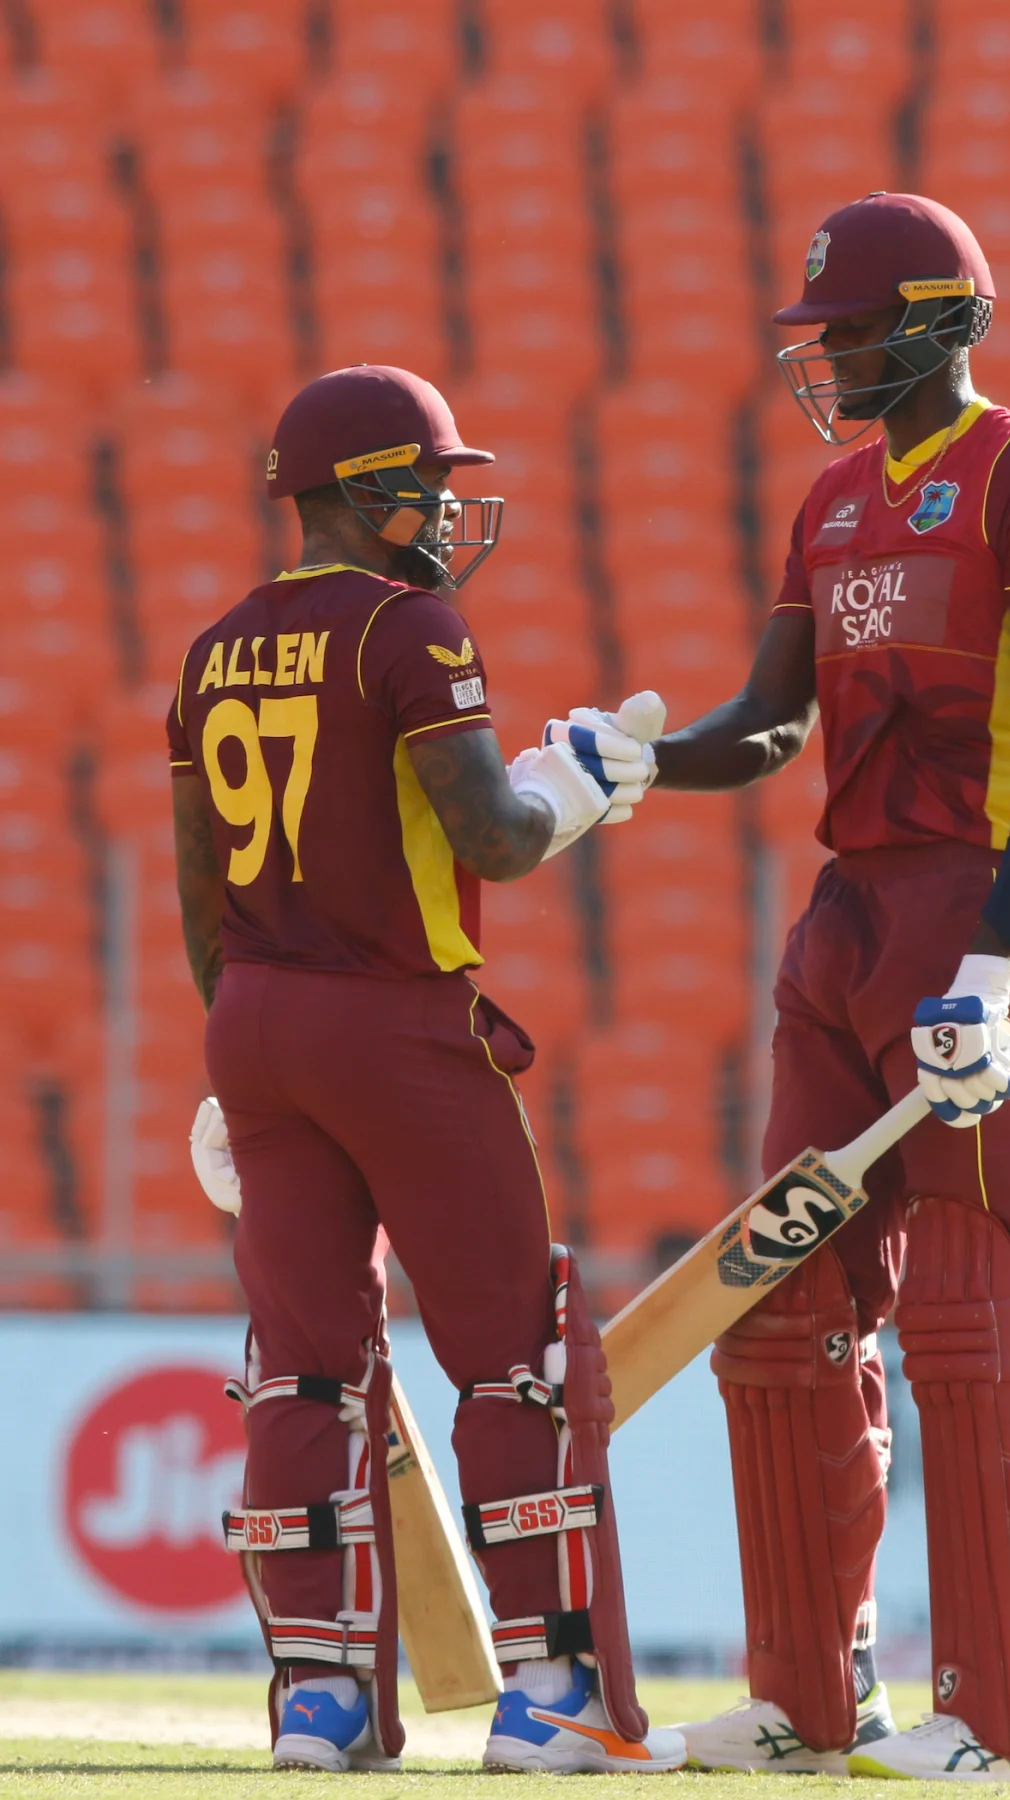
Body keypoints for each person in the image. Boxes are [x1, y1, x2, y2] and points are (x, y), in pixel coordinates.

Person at [643, 195, 1010, 1781]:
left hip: (983, 911)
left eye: (853, 328)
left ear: (943, 323)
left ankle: (1001, 1712)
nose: (831, 354)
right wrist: (626, 760)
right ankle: (805, 1705)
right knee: (777, 1302)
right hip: (847, 917)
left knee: (974, 1314)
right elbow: (772, 726)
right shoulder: (836, 498)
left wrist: (997, 956)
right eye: (821, 332)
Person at [169, 363, 685, 1775]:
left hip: (257, 1018)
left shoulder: (215, 644)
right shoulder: (410, 625)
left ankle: (319, 1705)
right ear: (366, 488)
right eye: (431, 483)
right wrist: (570, 793)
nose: (449, 511)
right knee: (514, 1353)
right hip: (392, 1020)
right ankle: (549, 1694)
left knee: (304, 1370)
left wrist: (242, 1053)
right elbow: (498, 843)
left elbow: (200, 896)